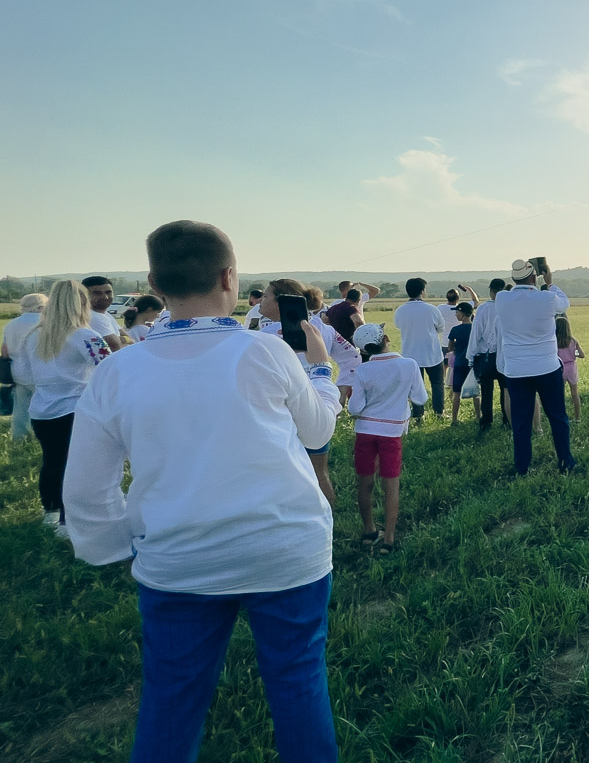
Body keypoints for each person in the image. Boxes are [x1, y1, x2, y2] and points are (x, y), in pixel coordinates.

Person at [62, 219, 340, 762]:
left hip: (177, 559)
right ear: (230, 277)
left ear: (154, 282)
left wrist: (117, 549)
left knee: (171, 700)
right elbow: (318, 433)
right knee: (298, 686)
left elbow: (88, 493)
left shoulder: (116, 372)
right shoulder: (266, 352)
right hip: (284, 548)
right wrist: (323, 375)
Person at [13, 280, 109, 533]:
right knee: (76, 465)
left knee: (52, 462)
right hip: (76, 409)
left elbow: (21, 373)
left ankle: (51, 513)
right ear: (83, 304)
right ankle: (69, 520)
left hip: (42, 410)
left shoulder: (33, 336)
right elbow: (109, 368)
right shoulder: (86, 335)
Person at [257, 279, 342, 506]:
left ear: (282, 301)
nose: (259, 303)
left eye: (265, 297)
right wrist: (343, 385)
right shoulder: (322, 328)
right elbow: (352, 355)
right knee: (319, 472)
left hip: (282, 409)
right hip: (319, 403)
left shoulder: (265, 336)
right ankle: (330, 520)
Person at [491, 259, 579, 475]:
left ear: (513, 278)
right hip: (547, 367)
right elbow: (564, 304)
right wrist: (550, 283)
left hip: (516, 370)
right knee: (558, 417)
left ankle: (522, 466)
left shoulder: (502, 298)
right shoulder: (547, 297)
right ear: (534, 277)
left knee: (521, 421)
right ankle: (565, 461)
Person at [349, 323, 426, 554]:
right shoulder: (408, 365)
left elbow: (355, 408)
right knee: (390, 484)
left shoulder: (363, 370)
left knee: (365, 482)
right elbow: (420, 398)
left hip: (365, 431)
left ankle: (369, 531)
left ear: (363, 350)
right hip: (391, 433)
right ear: (385, 338)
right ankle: (389, 539)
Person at [393, 277, 446, 421]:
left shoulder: (400, 310)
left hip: (410, 353)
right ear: (422, 291)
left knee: (415, 386)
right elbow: (441, 327)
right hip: (432, 353)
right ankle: (439, 412)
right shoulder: (432, 309)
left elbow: (398, 325)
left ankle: (418, 414)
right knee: (437, 384)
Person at [2, 292, 47, 442]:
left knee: (21, 408)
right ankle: (42, 437)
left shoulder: (11, 324)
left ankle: (19, 438)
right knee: (44, 406)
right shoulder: (44, 322)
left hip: (17, 371)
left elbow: (5, 350)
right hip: (40, 371)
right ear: (41, 306)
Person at [467, 277, 510, 435]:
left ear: (491, 291)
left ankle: (486, 420)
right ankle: (507, 418)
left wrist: (471, 356)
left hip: (486, 355)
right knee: (506, 390)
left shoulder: (484, 308)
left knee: (487, 390)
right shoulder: (508, 307)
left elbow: (476, 332)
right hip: (505, 354)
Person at [447, 301, 475, 424]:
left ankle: (454, 419)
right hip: (472, 364)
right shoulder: (475, 328)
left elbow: (450, 347)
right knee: (476, 393)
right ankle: (479, 417)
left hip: (459, 363)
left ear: (463, 315)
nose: (456, 315)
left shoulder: (455, 330)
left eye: (457, 313)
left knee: (456, 392)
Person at [81, 275, 125, 351]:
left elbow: (131, 339)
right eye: (97, 293)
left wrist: (124, 340)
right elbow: (116, 347)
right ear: (84, 295)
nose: (105, 297)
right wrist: (123, 340)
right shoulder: (92, 317)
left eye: (108, 292)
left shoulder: (106, 315)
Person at [556, 315, 584, 421]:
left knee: (560, 394)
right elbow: (582, 355)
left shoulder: (555, 341)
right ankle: (577, 417)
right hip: (571, 367)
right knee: (574, 393)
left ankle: (562, 417)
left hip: (560, 367)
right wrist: (573, 354)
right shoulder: (572, 340)